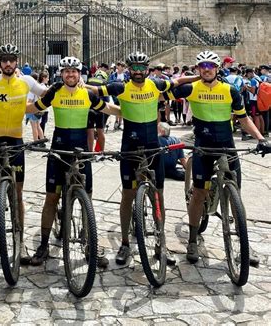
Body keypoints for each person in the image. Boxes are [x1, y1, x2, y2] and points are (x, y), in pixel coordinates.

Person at [87, 51, 199, 266]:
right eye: (134, 68)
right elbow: (95, 90)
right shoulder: (120, 86)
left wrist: (199, 77)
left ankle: (161, 243)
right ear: (129, 69)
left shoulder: (156, 84)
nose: (138, 72)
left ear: (147, 69)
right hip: (129, 147)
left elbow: (178, 82)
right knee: (128, 195)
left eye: (142, 68)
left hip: (152, 147)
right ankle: (125, 244)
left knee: (159, 195)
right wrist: (71, 84)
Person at [164, 50, 271, 263]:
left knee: (236, 195)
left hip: (227, 146)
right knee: (199, 194)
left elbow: (244, 119)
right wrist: (190, 77)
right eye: (202, 66)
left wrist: (261, 138)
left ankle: (242, 244)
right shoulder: (192, 88)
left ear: (217, 68)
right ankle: (193, 240)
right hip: (203, 147)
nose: (206, 69)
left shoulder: (230, 91)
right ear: (197, 69)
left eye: (210, 66)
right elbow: (165, 90)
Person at [26, 56, 121, 267]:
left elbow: (107, 109)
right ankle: (43, 245)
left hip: (81, 151)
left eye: (74, 71)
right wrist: (10, 107)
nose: (70, 74)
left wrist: (129, 113)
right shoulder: (55, 92)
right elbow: (35, 107)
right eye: (67, 71)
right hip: (59, 150)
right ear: (61, 74)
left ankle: (90, 245)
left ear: (80, 74)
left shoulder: (87, 94)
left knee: (87, 196)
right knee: (51, 197)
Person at [0, 43, 48, 267]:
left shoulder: (27, 81)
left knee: (18, 194)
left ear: (16, 61)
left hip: (15, 142)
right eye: (4, 59)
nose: (8, 63)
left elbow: (47, 93)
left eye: (11, 59)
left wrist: (77, 83)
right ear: (0, 61)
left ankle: (19, 240)